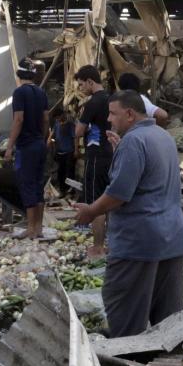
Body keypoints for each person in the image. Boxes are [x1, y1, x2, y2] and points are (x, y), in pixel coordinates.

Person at [74, 90, 183, 338]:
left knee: (124, 315)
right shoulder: (162, 135)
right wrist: (121, 154)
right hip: (171, 239)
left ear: (129, 114)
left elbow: (119, 194)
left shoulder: (134, 142)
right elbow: (147, 178)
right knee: (168, 323)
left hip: (139, 242)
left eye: (113, 114)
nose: (109, 119)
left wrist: (90, 211)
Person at [5, 58, 49, 239]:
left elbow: (18, 119)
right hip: (40, 144)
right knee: (39, 185)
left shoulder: (19, 93)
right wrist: (43, 138)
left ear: (19, 73)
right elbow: (46, 119)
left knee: (27, 185)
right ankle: (38, 227)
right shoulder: (41, 92)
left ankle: (31, 229)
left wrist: (9, 146)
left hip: (26, 146)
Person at [74, 65, 113, 258]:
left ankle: (98, 247)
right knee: (111, 200)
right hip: (111, 154)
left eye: (82, 84)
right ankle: (112, 244)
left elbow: (78, 131)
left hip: (95, 155)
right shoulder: (112, 99)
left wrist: (83, 125)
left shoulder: (93, 103)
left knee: (96, 203)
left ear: (90, 81)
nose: (81, 88)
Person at [49, 108, 76, 196]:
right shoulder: (57, 123)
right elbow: (53, 131)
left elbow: (75, 137)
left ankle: (71, 191)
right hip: (59, 151)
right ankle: (62, 190)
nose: (58, 119)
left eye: (58, 118)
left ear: (62, 115)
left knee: (69, 172)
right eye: (56, 119)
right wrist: (49, 139)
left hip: (69, 152)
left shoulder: (70, 123)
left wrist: (76, 150)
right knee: (60, 172)